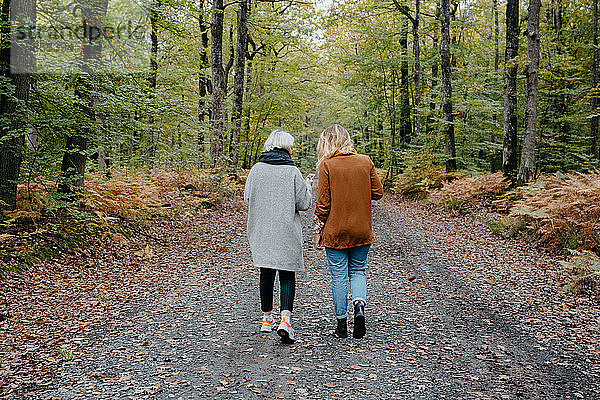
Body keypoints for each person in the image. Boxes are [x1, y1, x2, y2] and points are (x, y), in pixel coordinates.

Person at [313, 124, 383, 339]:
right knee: (358, 271)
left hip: (335, 231)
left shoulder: (327, 165)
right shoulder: (365, 161)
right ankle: (359, 306)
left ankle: (341, 324)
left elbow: (323, 204)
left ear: (327, 143)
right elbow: (378, 192)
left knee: (339, 276)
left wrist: (317, 230)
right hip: (362, 230)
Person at [244, 129, 312, 344]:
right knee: (287, 274)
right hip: (286, 230)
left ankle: (266, 319)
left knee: (266, 271)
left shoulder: (256, 170)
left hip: (262, 229)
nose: (292, 150)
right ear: (285, 147)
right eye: (290, 146)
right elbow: (304, 204)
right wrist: (308, 187)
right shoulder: (292, 172)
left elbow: (247, 198)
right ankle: (285, 321)